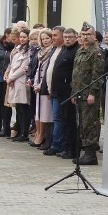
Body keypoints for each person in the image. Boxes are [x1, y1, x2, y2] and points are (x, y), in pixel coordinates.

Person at [70, 22, 105, 165]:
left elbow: (97, 76)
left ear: (94, 36)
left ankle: (91, 154)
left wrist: (93, 93)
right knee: (82, 123)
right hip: (79, 93)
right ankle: (84, 151)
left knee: (89, 124)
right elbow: (76, 74)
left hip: (89, 95)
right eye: (83, 34)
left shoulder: (96, 52)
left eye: (88, 34)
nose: (85, 37)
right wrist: (73, 92)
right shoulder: (80, 51)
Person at [48, 28, 79, 158]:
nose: (67, 39)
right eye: (65, 37)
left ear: (76, 37)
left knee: (69, 122)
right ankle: (64, 147)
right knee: (61, 120)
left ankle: (72, 149)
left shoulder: (76, 51)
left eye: (70, 37)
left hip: (68, 92)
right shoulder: (64, 50)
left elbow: (75, 74)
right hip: (58, 91)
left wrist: (73, 92)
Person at [43, 27, 67, 156]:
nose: (53, 38)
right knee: (55, 118)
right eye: (52, 35)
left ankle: (57, 144)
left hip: (60, 91)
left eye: (55, 35)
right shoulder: (54, 49)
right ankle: (56, 142)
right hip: (51, 89)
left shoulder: (64, 50)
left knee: (58, 119)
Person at [5, 28, 31, 141]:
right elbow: (12, 65)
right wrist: (8, 77)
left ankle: (24, 133)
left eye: (24, 37)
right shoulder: (19, 49)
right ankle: (20, 131)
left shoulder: (29, 51)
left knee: (24, 108)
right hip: (14, 81)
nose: (22, 39)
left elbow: (23, 68)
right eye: (21, 37)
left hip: (21, 81)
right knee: (19, 108)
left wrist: (11, 78)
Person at [32, 29, 55, 149]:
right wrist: (36, 83)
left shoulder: (52, 51)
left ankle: (46, 137)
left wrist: (41, 85)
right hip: (38, 86)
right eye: (43, 39)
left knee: (47, 114)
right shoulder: (41, 52)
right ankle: (40, 135)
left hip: (46, 87)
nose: (45, 41)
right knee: (39, 113)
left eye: (47, 38)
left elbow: (48, 71)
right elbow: (38, 69)